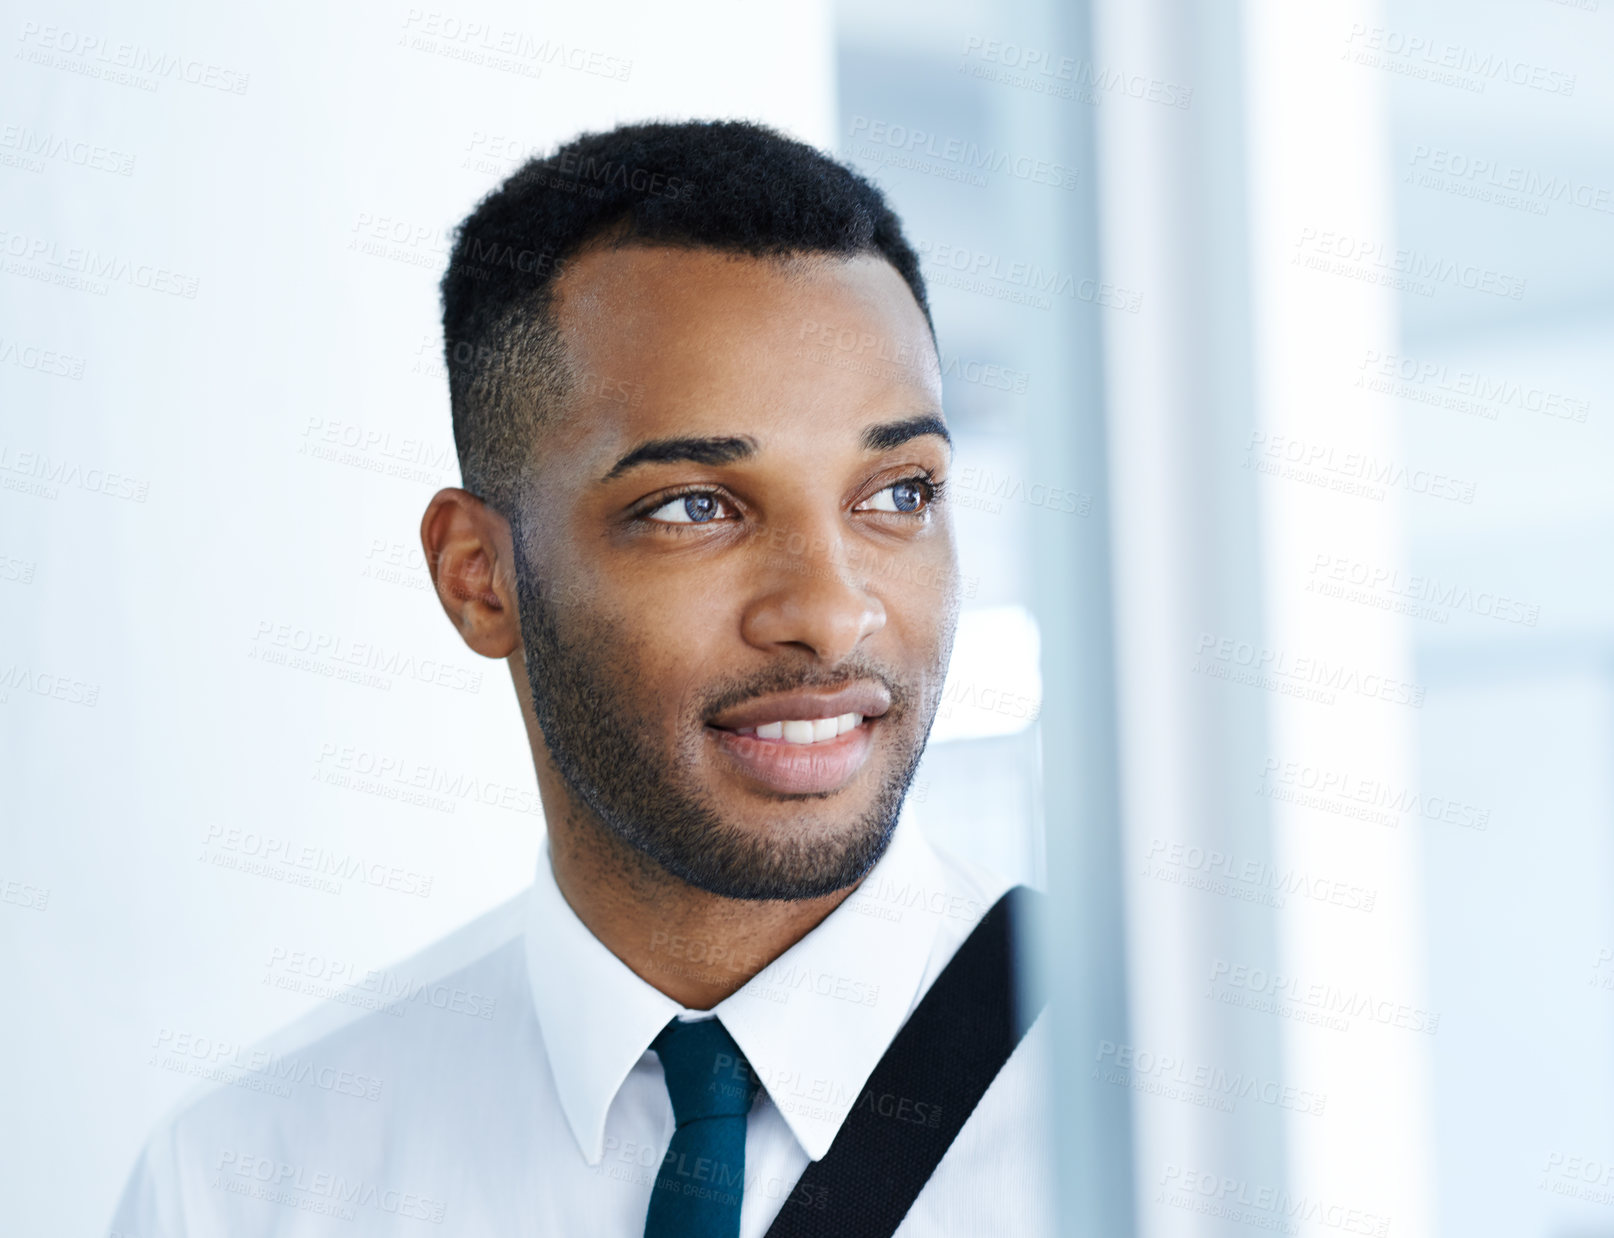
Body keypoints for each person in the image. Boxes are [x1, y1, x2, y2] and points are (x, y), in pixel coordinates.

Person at [111, 119, 1053, 1237]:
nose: (830, 609)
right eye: (693, 506)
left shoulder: (1197, 1125)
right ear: (480, 578)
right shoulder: (248, 1185)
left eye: (898, 492)